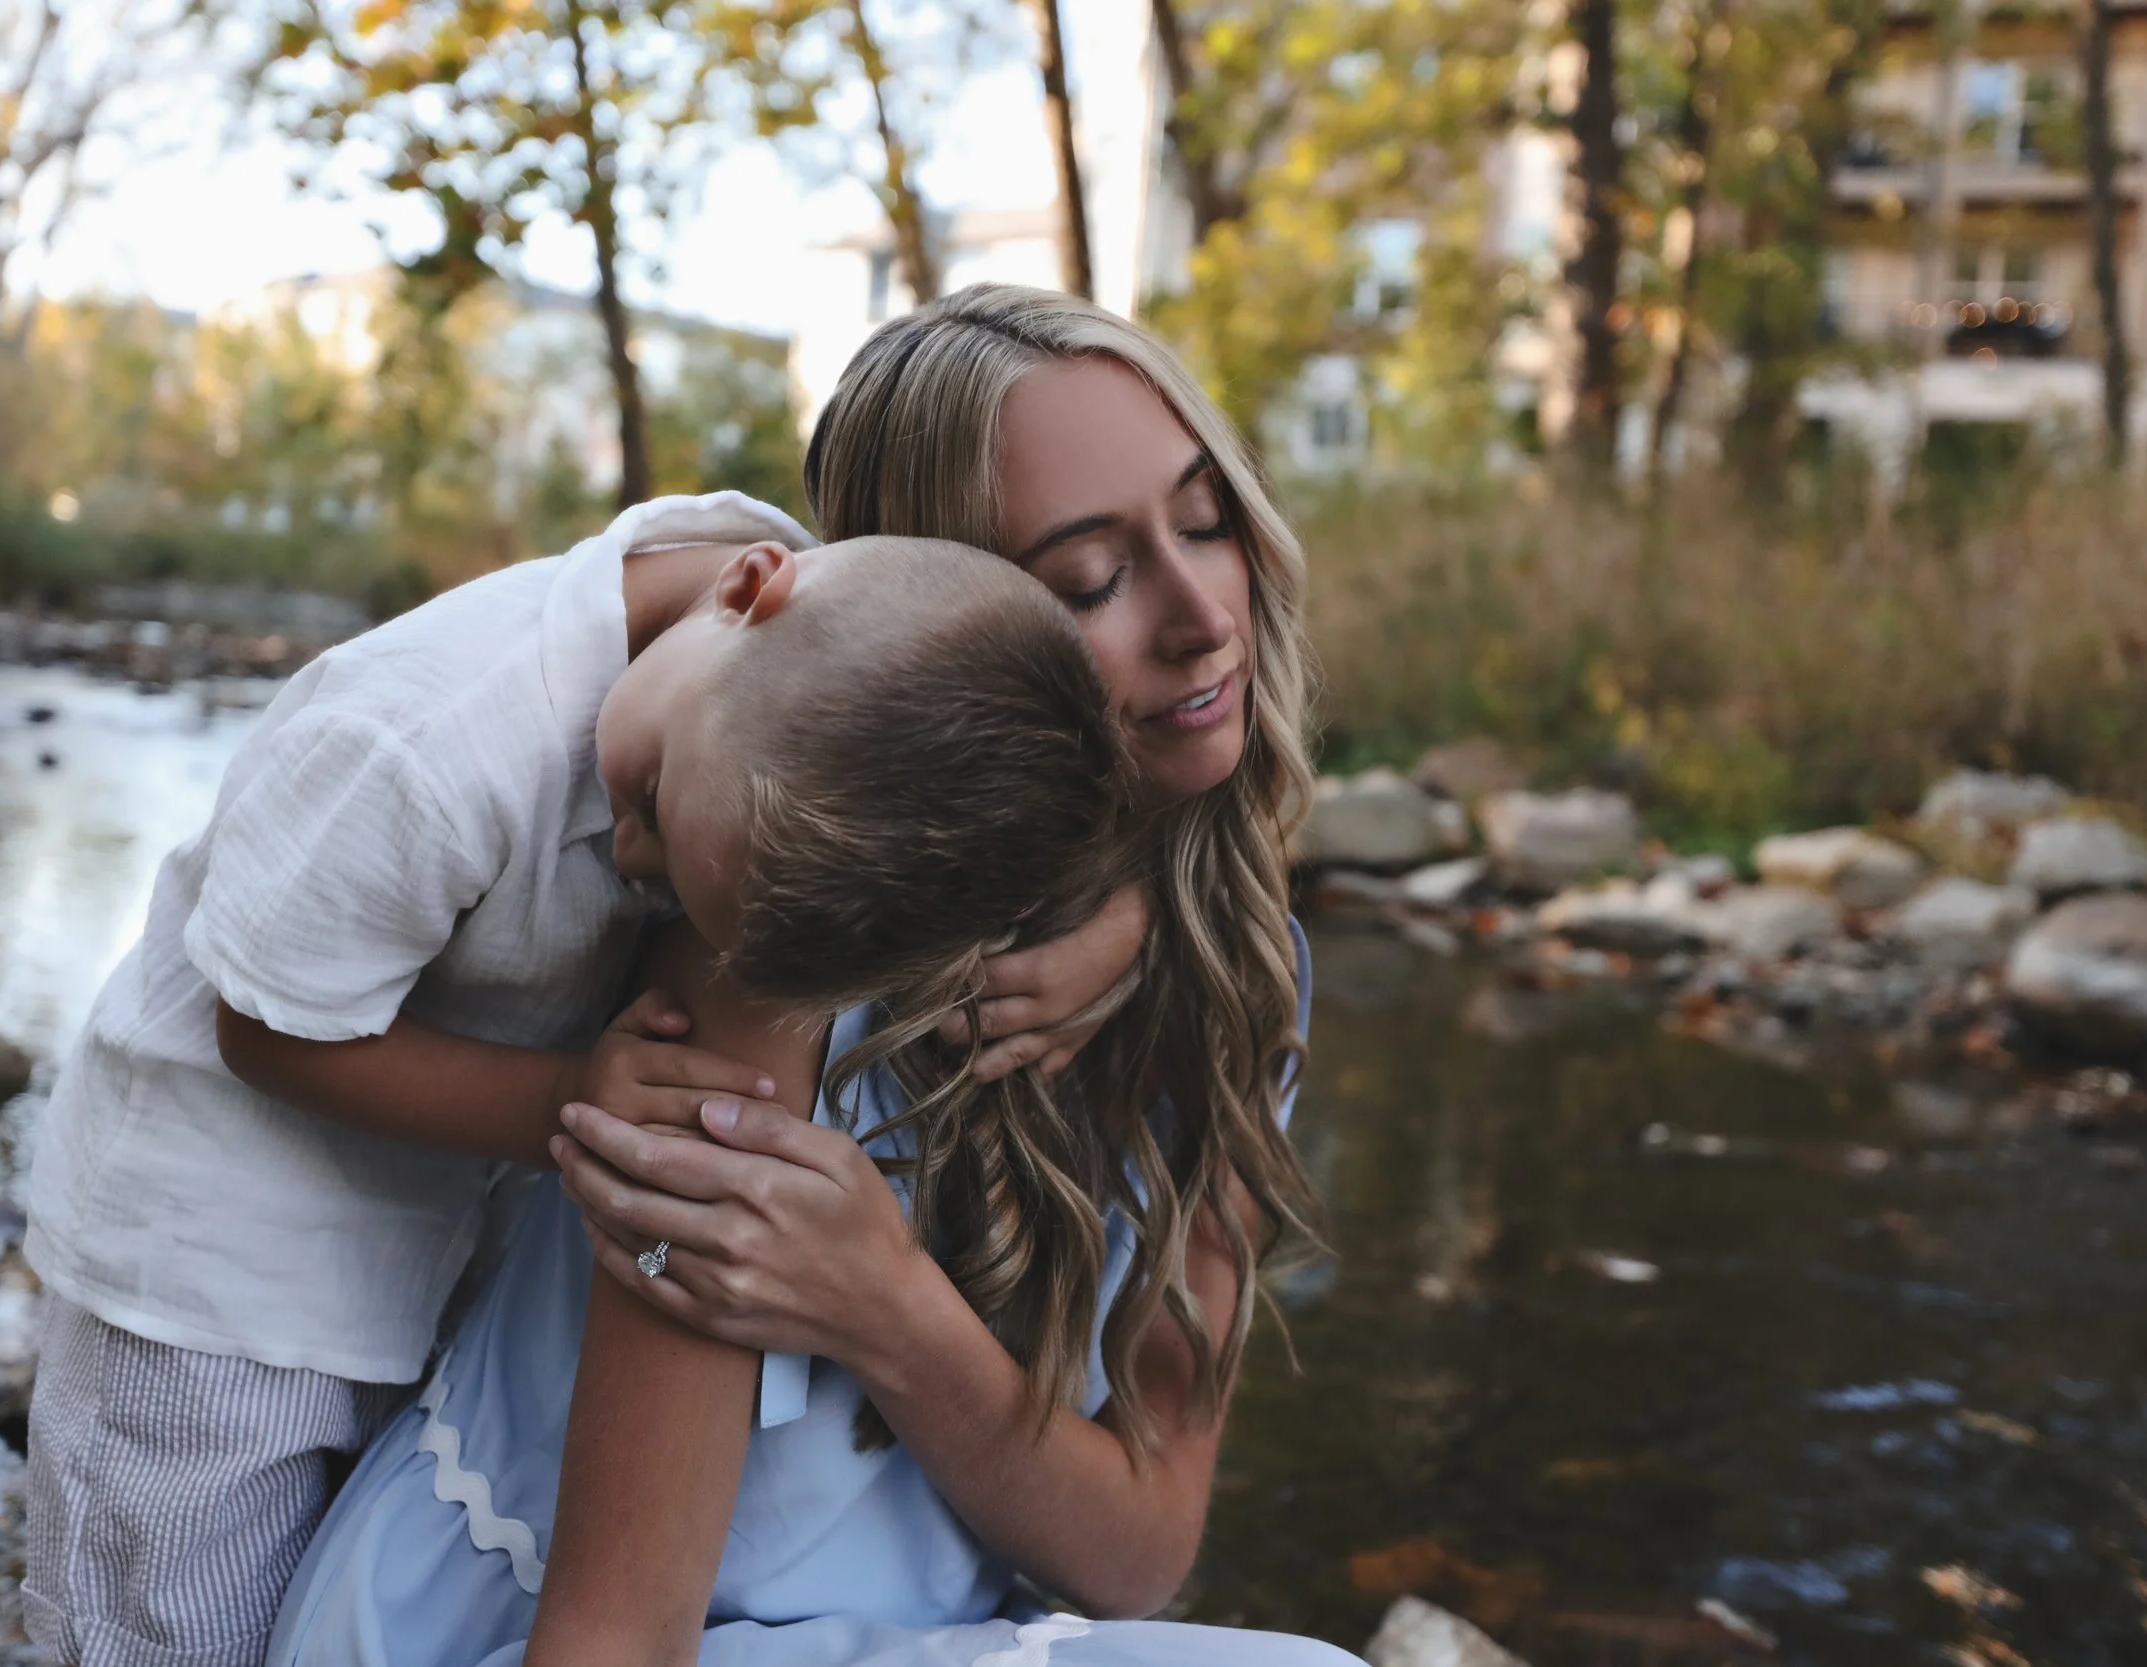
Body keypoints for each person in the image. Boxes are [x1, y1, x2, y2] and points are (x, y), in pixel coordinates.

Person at [268, 284, 1342, 1664]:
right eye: (1088, 580)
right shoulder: (770, 963)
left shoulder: (1229, 965)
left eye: (1205, 519)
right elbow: (609, 1633)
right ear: (943, 646)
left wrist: (887, 1307)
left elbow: (1137, 1547)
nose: (1202, 614)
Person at [19, 495, 1133, 1667]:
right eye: (648, 801)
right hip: (208, 1281)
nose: (633, 855)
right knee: (173, 1631)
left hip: (417, 1233)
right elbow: (262, 1031)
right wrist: (572, 1102)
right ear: (748, 586)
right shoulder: (419, 747)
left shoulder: (804, 680)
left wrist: (1120, 920)